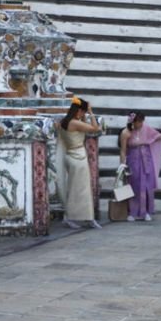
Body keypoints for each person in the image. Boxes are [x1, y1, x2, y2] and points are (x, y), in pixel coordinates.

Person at [58, 96, 101, 228]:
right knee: (81, 189)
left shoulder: (65, 121)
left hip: (72, 156)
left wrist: (84, 114)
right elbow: (95, 128)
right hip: (78, 157)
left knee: (77, 188)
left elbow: (83, 127)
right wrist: (91, 113)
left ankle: (82, 217)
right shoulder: (74, 123)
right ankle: (77, 217)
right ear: (79, 111)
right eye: (83, 112)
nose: (84, 114)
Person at [118, 111, 161, 221]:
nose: (140, 124)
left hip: (146, 159)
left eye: (142, 121)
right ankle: (132, 212)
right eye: (138, 121)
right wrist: (122, 164)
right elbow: (123, 150)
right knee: (133, 184)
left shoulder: (146, 128)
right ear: (132, 122)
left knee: (147, 185)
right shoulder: (126, 133)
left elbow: (156, 137)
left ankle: (146, 211)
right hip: (133, 160)